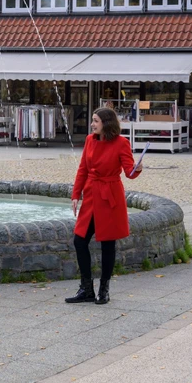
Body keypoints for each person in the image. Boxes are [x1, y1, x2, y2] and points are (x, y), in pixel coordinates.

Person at [67, 107, 142, 305]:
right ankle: (86, 288)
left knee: (108, 244)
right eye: (92, 120)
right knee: (79, 240)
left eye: (95, 121)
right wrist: (76, 194)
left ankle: (104, 290)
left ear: (106, 123)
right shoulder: (90, 140)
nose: (92, 124)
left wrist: (138, 168)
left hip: (110, 196)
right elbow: (82, 168)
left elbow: (129, 172)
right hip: (91, 194)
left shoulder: (121, 143)